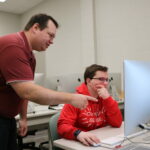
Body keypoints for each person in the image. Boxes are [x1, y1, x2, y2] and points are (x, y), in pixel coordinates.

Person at [0, 14, 97, 150]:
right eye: (50, 35)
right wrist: (71, 98)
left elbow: (24, 92)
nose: (52, 41)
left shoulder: (30, 56)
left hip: (7, 119)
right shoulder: (13, 46)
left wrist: (23, 118)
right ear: (35, 28)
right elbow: (28, 91)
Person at [58, 64, 123, 146]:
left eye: (107, 80)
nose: (106, 83)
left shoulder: (105, 98)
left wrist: (108, 99)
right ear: (88, 81)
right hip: (82, 142)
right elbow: (62, 126)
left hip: (101, 140)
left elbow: (117, 123)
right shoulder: (76, 100)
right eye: (101, 79)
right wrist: (78, 133)